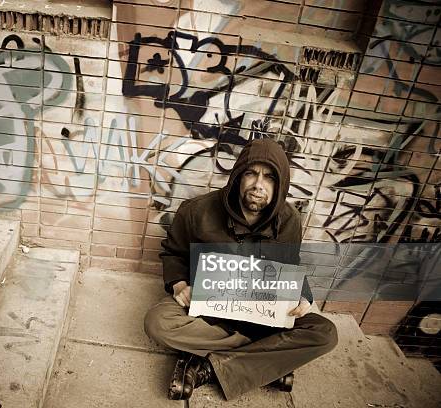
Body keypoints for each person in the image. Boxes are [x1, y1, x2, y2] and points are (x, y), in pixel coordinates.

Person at [144, 138, 338, 400]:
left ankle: (209, 365)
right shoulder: (196, 210)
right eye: (251, 173)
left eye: (269, 177)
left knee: (325, 334)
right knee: (158, 323)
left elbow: (290, 265)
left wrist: (303, 296)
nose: (259, 184)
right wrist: (179, 284)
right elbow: (174, 253)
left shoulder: (290, 220)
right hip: (207, 313)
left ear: (280, 185)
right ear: (237, 175)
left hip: (260, 314)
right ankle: (265, 358)